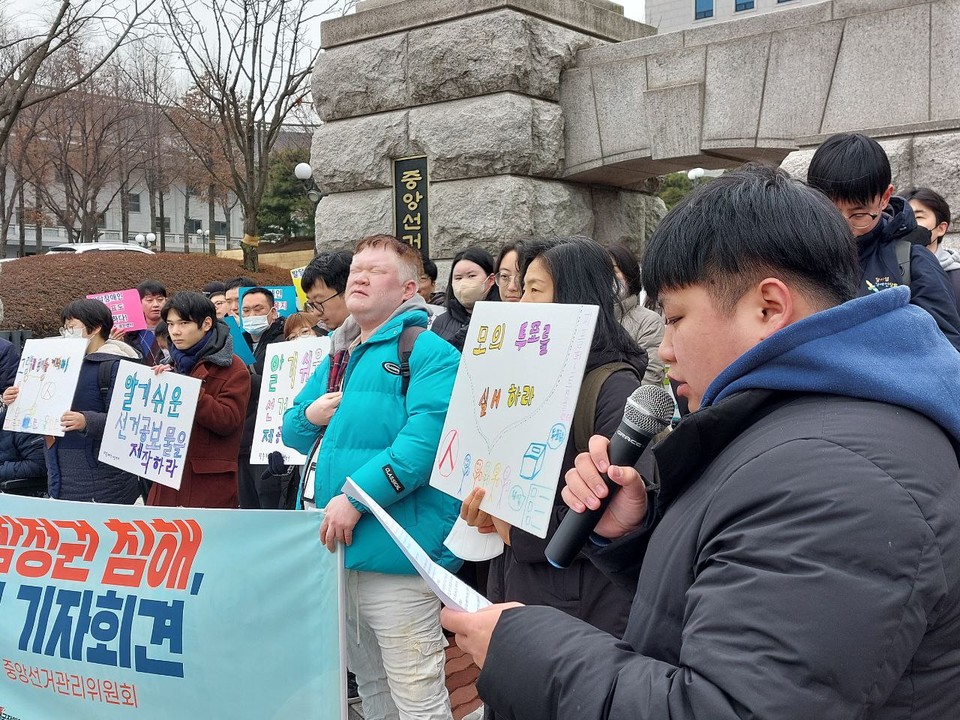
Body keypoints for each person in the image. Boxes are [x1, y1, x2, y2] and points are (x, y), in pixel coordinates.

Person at [443, 164, 960, 720]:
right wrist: (635, 537)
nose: (665, 349)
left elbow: (728, 706)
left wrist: (522, 650)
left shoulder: (838, 475)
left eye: (675, 318)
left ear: (768, 307)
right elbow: (737, 605)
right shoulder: (806, 426)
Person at [282, 234, 460, 720]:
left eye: (376, 271)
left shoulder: (427, 352)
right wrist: (309, 417)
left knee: (418, 694)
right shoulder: (339, 354)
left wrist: (355, 497)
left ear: (408, 290)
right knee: (373, 687)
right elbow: (292, 430)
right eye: (356, 270)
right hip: (338, 553)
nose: (359, 278)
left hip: (398, 556)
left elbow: (422, 446)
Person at [462, 236, 647, 663]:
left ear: (575, 295)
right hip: (517, 578)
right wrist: (486, 503)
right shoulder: (524, 378)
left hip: (579, 601)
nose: (519, 301)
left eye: (534, 289)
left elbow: (618, 509)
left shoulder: (613, 387)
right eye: (519, 287)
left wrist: (517, 531)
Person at [806, 132, 960, 350]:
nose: (843, 228)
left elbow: (946, 349)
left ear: (885, 197)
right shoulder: (795, 256)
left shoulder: (912, 262)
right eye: (829, 213)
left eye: (858, 215)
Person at [3, 299, 143, 503]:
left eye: (72, 327)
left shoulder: (116, 366)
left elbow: (131, 422)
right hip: (60, 470)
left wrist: (87, 421)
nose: (67, 333)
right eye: (65, 328)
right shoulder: (60, 363)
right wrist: (15, 399)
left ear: (95, 328)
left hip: (104, 477)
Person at [147, 292, 250, 508]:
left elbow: (228, 420)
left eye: (183, 323)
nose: (175, 331)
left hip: (208, 484)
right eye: (171, 324)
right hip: (166, 477)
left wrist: (186, 389)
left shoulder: (233, 367)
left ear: (206, 324)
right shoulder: (170, 364)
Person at [237, 287, 287, 509]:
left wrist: (245, 379)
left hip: (270, 443)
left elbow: (281, 387)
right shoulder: (236, 344)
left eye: (258, 309)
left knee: (269, 504)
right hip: (242, 442)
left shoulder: (285, 342)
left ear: (273, 312)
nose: (251, 315)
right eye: (246, 311)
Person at [608, 243, 665, 385]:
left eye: (614, 271)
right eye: (602, 271)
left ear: (629, 274)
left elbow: (651, 376)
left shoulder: (649, 321)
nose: (608, 277)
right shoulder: (588, 319)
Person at [431, 247, 498, 352]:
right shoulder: (440, 322)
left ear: (491, 279)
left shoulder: (502, 319)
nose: (463, 283)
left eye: (471, 276)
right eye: (458, 278)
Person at [906, 187, 960, 312]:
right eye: (903, 217)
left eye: (918, 217)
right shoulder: (885, 271)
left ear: (941, 228)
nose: (909, 223)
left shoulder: (956, 276)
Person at [301, 250, 352, 333]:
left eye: (319, 302)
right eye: (311, 304)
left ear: (348, 292)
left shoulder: (372, 337)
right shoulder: (316, 337)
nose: (316, 313)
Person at [121, 279, 167, 365]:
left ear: (166, 301)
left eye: (160, 299)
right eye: (149, 300)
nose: (156, 304)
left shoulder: (174, 331)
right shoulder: (130, 333)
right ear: (139, 303)